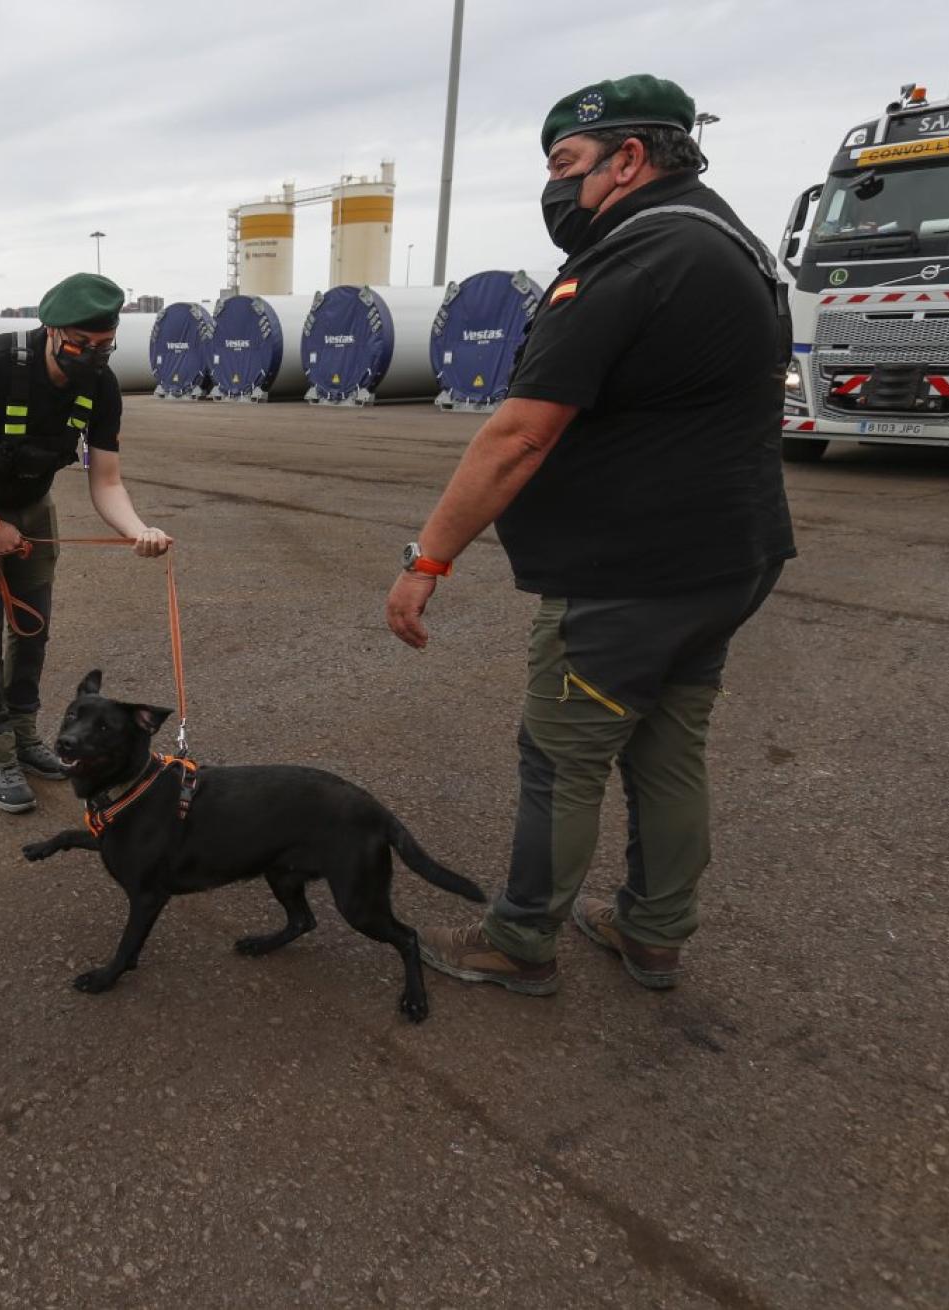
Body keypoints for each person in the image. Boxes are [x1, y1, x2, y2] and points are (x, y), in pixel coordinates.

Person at [385, 75, 796, 996]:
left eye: (567, 164)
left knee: (563, 760)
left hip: (632, 574)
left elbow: (518, 435)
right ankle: (654, 932)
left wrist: (429, 559)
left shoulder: (632, 258)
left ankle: (520, 939)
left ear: (631, 159)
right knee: (667, 745)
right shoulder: (739, 248)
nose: (557, 188)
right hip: (731, 556)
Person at [0, 274, 172, 813]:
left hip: (31, 508)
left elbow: (106, 480)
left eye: (105, 346)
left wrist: (138, 531)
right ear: (52, 331)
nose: (94, 356)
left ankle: (24, 734)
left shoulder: (100, 386)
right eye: (82, 344)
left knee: (32, 629)